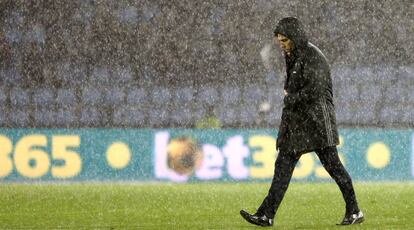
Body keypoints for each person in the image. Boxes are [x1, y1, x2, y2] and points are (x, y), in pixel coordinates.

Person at [240, 17, 364, 227]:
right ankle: (265, 215)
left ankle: (354, 211)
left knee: (333, 167)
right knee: (283, 166)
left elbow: (314, 91)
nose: (282, 44)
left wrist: (290, 97)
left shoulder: (312, 56)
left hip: (317, 122)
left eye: (285, 40)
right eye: (279, 40)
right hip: (300, 123)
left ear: (294, 38)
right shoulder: (295, 55)